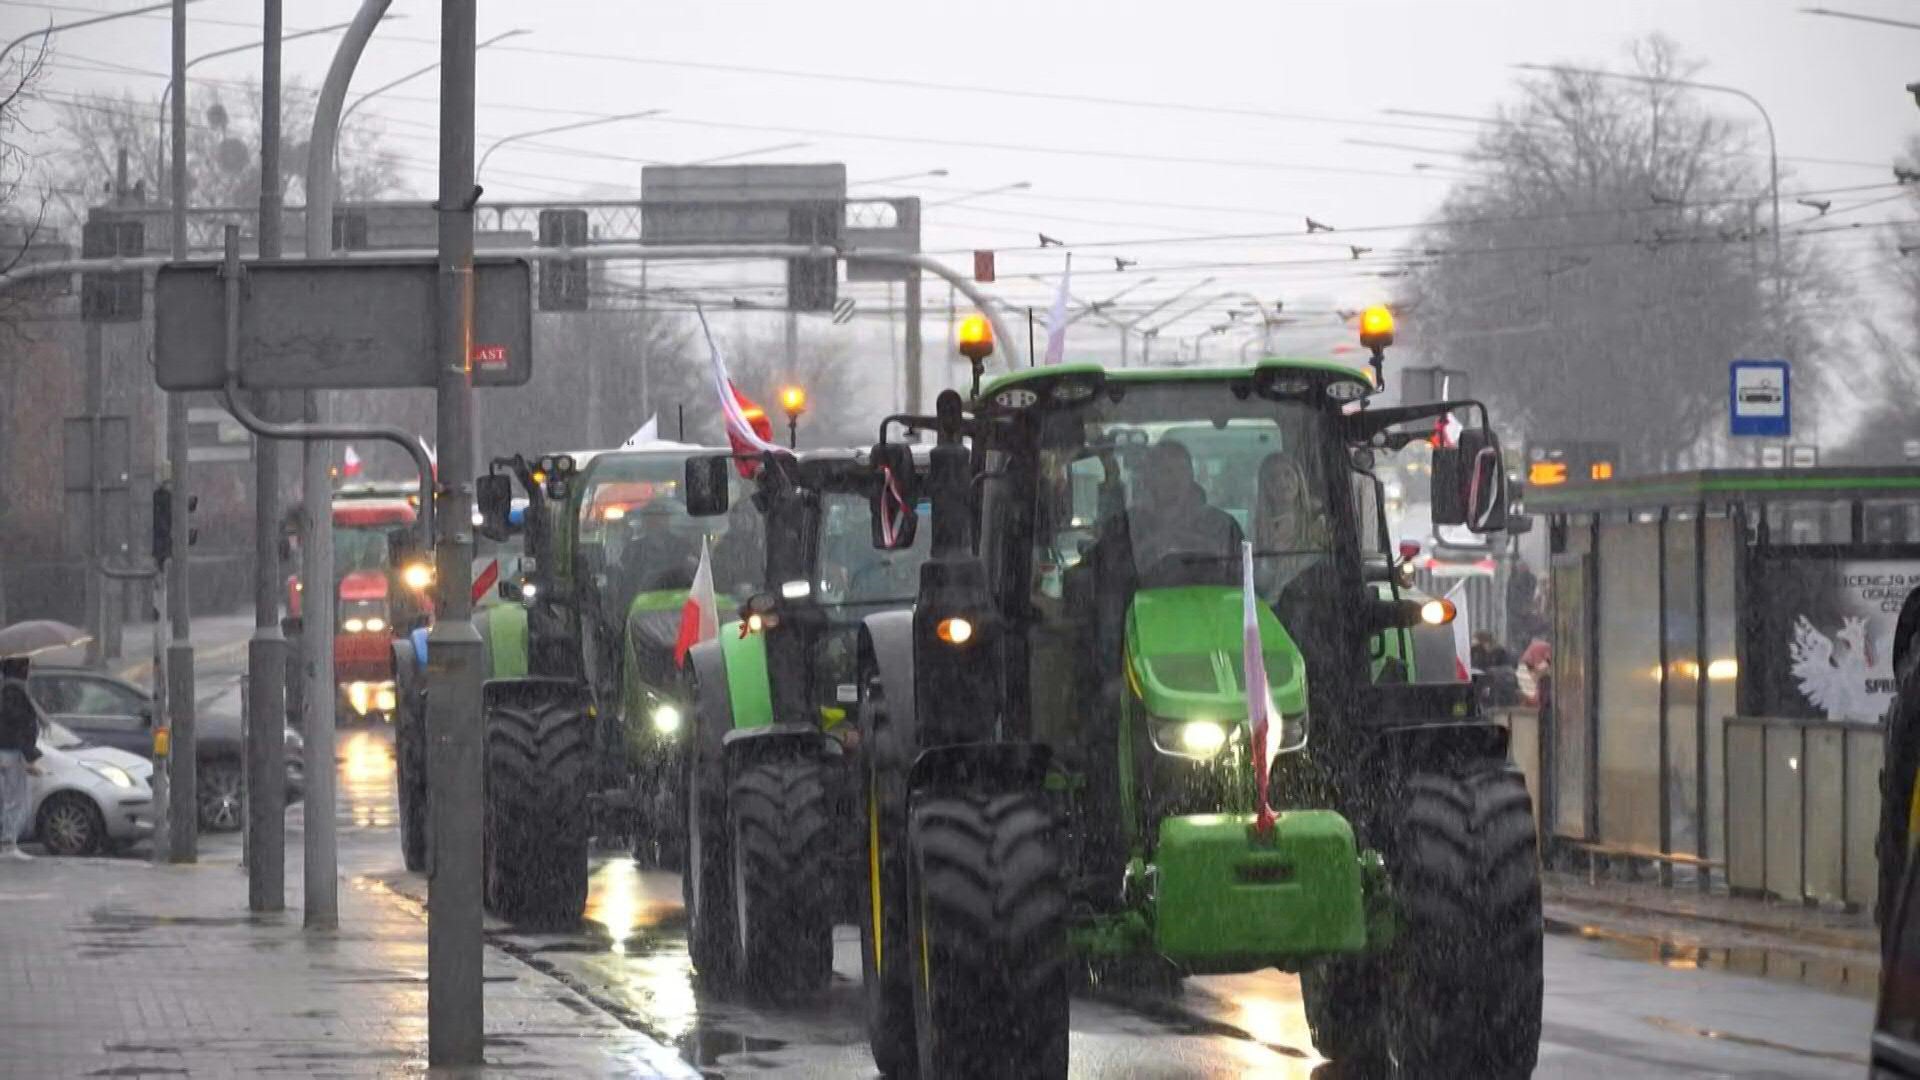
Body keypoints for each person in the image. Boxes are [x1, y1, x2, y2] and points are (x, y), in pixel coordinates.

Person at [1127, 439, 1242, 577]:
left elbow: (1241, 580)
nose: (1176, 478)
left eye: (1182, 469)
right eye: (1166, 471)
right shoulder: (1126, 526)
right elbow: (1112, 581)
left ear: (1191, 476)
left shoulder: (1222, 526)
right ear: (1150, 478)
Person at [0, 656, 45, 861]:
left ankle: (8, 843)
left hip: (10, 752)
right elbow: (18, 727)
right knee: (15, 800)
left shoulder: (10, 691)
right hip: (11, 753)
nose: (30, 672)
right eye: (27, 668)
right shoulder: (13, 693)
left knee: (12, 799)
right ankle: (8, 845)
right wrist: (30, 756)